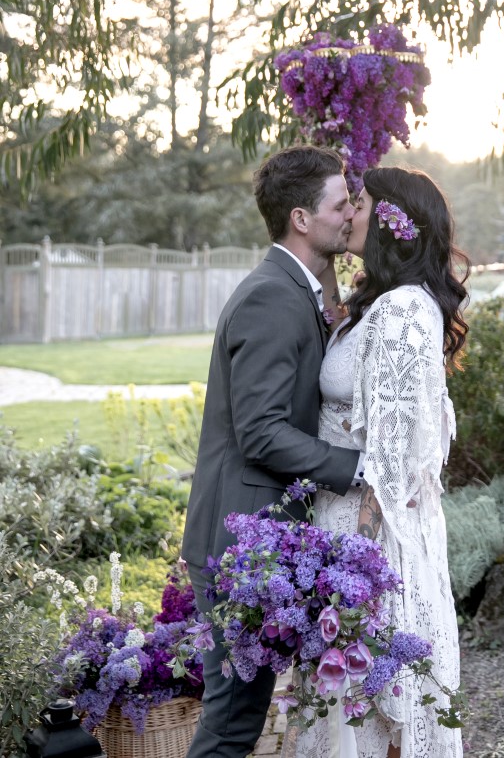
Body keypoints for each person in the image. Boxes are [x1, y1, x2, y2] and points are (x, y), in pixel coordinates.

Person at [182, 145, 364, 758]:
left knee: (239, 719)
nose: (350, 214)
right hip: (239, 545)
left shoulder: (295, 288)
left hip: (251, 540)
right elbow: (260, 432)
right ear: (301, 219)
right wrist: (357, 468)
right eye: (340, 205)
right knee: (232, 726)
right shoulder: (272, 297)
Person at [285, 166, 470, 758]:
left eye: (359, 204)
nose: (349, 213)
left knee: (377, 710)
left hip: (373, 542)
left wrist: (356, 577)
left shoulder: (401, 313)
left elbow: (391, 465)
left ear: (391, 222)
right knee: (352, 711)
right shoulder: (379, 305)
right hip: (343, 526)